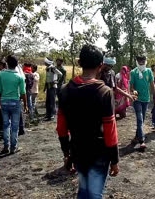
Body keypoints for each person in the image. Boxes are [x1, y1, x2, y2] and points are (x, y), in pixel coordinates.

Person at [57, 44, 119, 198]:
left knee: (84, 190)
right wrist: (115, 159)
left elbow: (62, 128)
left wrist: (67, 153)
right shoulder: (105, 92)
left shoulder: (65, 90)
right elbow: (110, 131)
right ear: (100, 66)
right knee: (94, 194)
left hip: (77, 151)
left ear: (79, 63)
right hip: (99, 153)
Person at [0, 55, 28, 154]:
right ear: (16, 65)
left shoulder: (1, 75)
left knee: (6, 125)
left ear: (7, 64)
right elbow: (23, 93)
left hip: (4, 102)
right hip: (15, 102)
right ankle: (13, 147)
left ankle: (6, 146)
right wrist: (26, 105)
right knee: (15, 126)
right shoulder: (19, 77)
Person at [130, 56, 155, 148]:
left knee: (142, 120)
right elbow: (131, 86)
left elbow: (152, 84)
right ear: (137, 61)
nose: (141, 62)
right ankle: (142, 141)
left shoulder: (149, 71)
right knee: (140, 118)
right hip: (137, 99)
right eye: (139, 60)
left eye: (143, 60)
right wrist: (133, 90)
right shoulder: (133, 72)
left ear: (145, 61)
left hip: (146, 99)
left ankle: (136, 137)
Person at [99, 53, 134, 118]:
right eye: (107, 65)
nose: (109, 67)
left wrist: (128, 95)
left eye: (111, 66)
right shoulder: (98, 73)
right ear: (103, 64)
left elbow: (115, 88)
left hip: (109, 100)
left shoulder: (112, 73)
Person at [44, 57, 62, 121]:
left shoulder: (52, 68)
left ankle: (52, 115)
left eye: (45, 62)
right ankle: (48, 114)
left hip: (53, 87)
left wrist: (56, 81)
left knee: (52, 101)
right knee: (48, 101)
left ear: (48, 62)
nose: (44, 63)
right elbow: (47, 79)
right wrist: (45, 87)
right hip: (49, 87)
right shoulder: (47, 68)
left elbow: (60, 74)